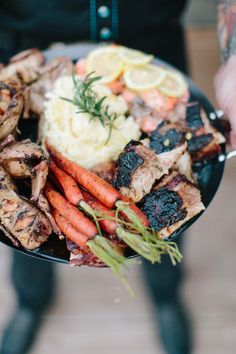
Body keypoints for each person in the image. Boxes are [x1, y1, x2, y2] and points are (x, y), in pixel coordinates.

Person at [0, 1, 235, 354]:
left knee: (167, 217)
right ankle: (30, 302)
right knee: (27, 212)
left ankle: (165, 295)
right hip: (30, 59)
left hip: (152, 59)